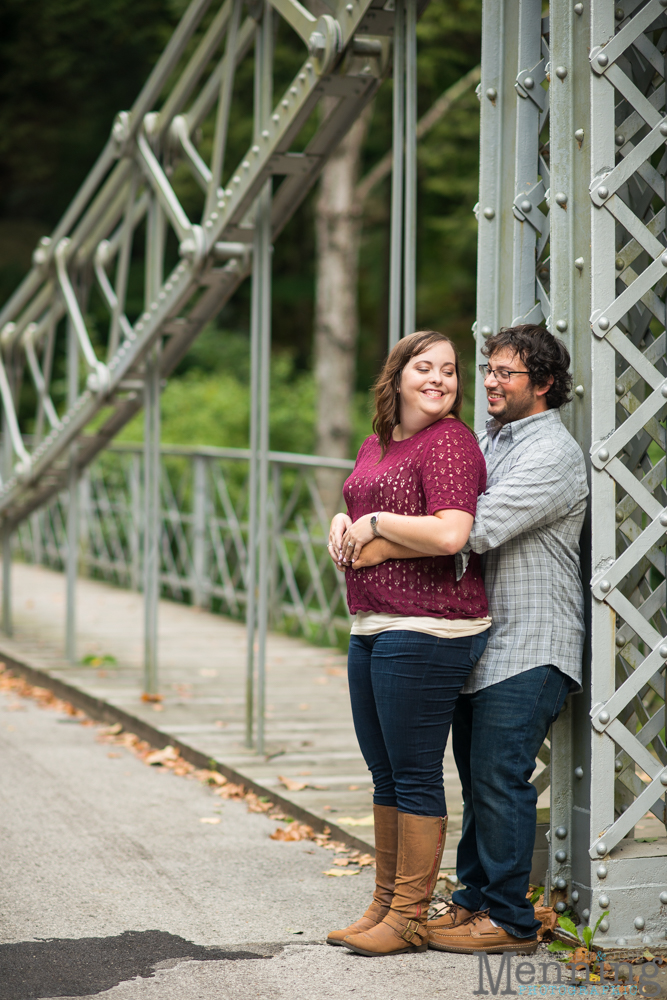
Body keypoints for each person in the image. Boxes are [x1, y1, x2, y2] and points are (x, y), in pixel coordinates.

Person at [349, 325, 588, 955]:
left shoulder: (552, 454)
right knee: (473, 775)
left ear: (543, 386)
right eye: (486, 369)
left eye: (504, 373)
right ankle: (472, 901)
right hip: (482, 637)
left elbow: (467, 530)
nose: (487, 381)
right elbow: (432, 517)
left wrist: (369, 535)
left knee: (498, 775)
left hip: (534, 640)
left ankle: (509, 920)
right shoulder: (488, 440)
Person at [325, 330, 491, 957]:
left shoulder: (451, 442)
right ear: (395, 377)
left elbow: (452, 534)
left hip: (427, 627)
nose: (440, 379)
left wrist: (372, 525)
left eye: (450, 370)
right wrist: (344, 522)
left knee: (415, 773)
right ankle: (383, 903)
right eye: (425, 367)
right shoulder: (378, 442)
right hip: (371, 623)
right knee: (385, 771)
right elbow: (360, 505)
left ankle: (410, 915)